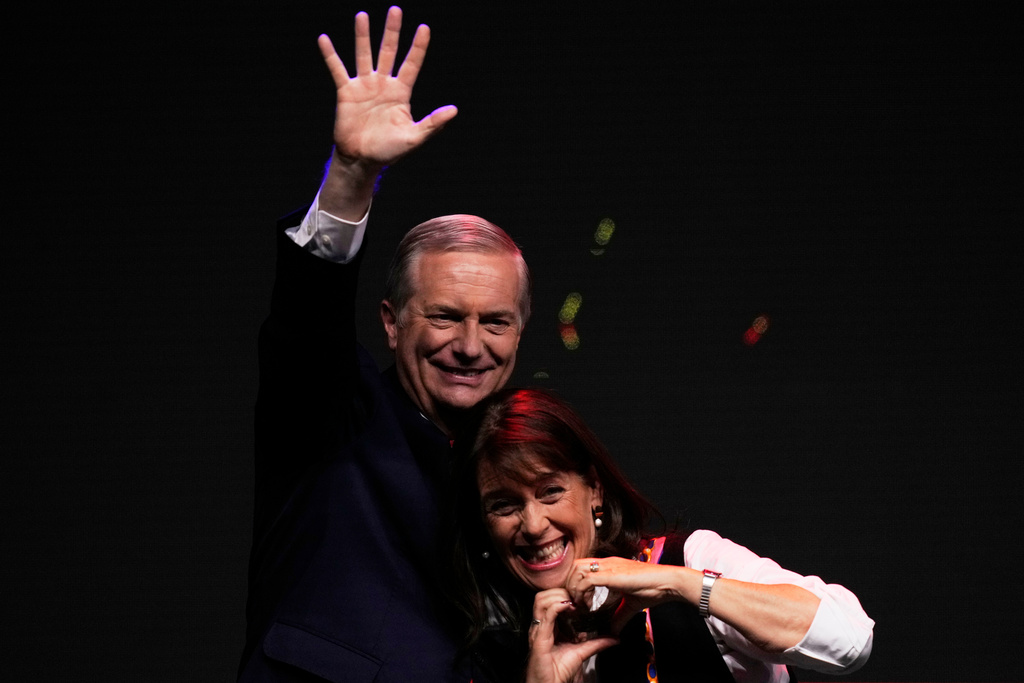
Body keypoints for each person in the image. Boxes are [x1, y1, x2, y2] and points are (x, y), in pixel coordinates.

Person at [240, 7, 528, 681]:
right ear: (392, 321)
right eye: (446, 315)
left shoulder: (527, 459)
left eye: (495, 321)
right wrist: (350, 174)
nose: (469, 344)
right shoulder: (334, 414)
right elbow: (306, 327)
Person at [448, 388, 874, 683]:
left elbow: (849, 640)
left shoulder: (688, 558)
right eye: (504, 505)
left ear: (594, 490)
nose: (535, 524)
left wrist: (675, 582)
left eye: (551, 491)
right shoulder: (496, 646)